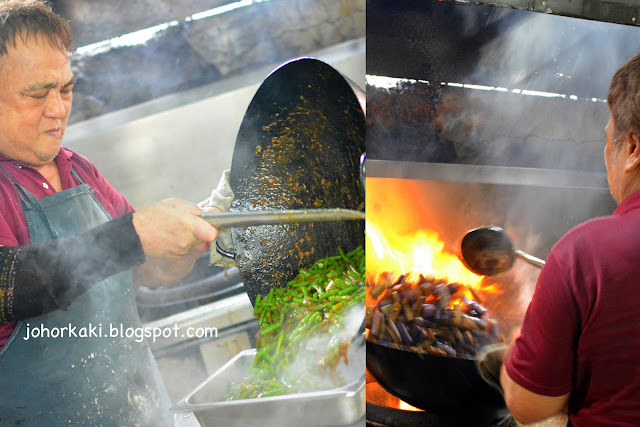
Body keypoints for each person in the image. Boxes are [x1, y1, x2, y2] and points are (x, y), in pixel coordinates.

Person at [0, 1, 219, 425]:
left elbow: (142, 269)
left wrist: (182, 246)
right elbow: (7, 283)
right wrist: (133, 235)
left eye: (65, 89)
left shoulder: (79, 169)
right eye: (36, 93)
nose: (58, 109)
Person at [497, 52, 640, 425]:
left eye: (610, 139)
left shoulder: (586, 253)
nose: (605, 151)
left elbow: (530, 405)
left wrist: (513, 355)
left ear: (632, 149)